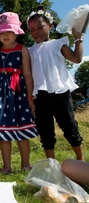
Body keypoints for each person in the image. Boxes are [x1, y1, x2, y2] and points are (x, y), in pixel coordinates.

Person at [0, 12, 37, 175]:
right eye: (2, 31)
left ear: (17, 31)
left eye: (9, 31)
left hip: (17, 94)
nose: (6, 35)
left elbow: (27, 74)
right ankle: (7, 166)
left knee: (21, 131)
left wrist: (30, 96)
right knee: (3, 132)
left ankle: (26, 164)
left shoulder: (23, 50)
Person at [27, 5, 85, 161]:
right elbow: (28, 76)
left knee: (69, 126)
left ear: (50, 25)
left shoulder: (58, 44)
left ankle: (81, 160)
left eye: (40, 27)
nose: (36, 32)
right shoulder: (29, 51)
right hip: (40, 95)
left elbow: (76, 58)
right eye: (32, 29)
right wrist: (30, 98)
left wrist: (78, 39)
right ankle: (51, 164)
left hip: (60, 92)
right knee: (45, 130)